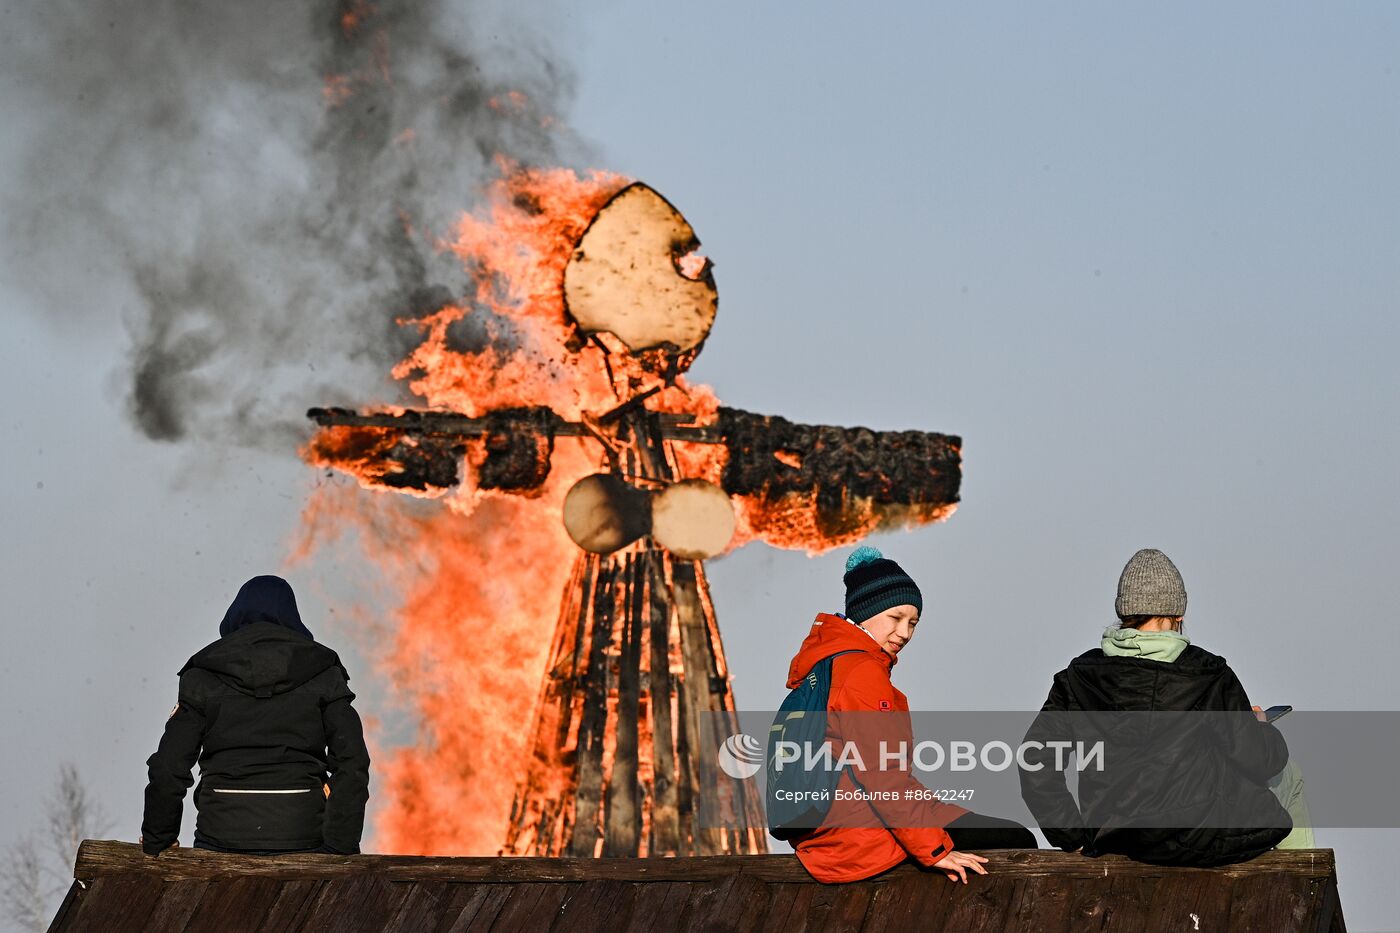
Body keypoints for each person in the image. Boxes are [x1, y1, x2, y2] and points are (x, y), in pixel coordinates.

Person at [1018, 548, 1309, 866]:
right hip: (1198, 836)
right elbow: (1258, 760)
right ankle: (1302, 880)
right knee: (1287, 774)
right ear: (1179, 613)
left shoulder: (1077, 677)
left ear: (1124, 613)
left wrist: (1071, 837)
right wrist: (1260, 727)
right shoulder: (1207, 673)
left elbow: (1036, 760)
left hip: (1114, 837)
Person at [785, 546, 1035, 884]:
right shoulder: (861, 672)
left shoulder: (830, 667)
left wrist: (940, 812)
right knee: (1016, 841)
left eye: (913, 622)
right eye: (895, 618)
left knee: (985, 828)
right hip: (854, 837)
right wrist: (936, 850)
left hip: (831, 828)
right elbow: (882, 775)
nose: (904, 633)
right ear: (864, 612)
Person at [141, 575, 370, 856]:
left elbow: (169, 767)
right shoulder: (323, 672)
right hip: (302, 833)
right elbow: (352, 762)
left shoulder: (203, 674)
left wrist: (158, 839)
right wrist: (340, 846)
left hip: (221, 835)